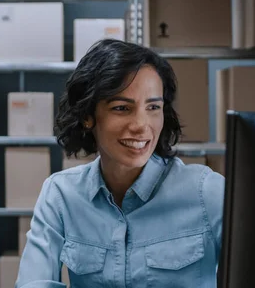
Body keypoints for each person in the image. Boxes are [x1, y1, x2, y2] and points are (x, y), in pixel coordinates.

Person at [16, 39, 225, 288]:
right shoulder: (61, 195)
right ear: (87, 116)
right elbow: (34, 283)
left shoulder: (207, 192)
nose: (140, 125)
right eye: (122, 108)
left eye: (153, 107)